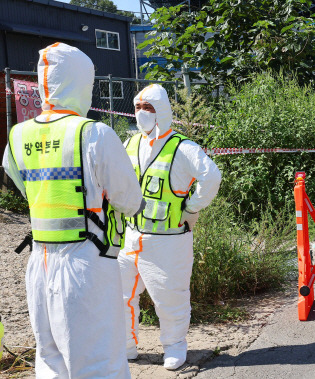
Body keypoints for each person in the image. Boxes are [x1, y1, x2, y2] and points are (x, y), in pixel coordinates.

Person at [2, 42, 143, 378]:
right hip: (87, 265)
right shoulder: (94, 134)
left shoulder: (17, 136)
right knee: (99, 360)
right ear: (80, 83)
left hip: (39, 263)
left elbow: (24, 186)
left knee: (50, 360)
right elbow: (131, 201)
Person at [119, 84, 222, 370]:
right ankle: (126, 344)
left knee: (169, 296)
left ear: (162, 111)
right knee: (120, 293)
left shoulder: (182, 148)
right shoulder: (129, 143)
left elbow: (211, 177)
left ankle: (175, 345)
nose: (142, 114)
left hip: (168, 240)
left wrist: (192, 208)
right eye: (138, 108)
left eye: (148, 108)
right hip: (130, 236)